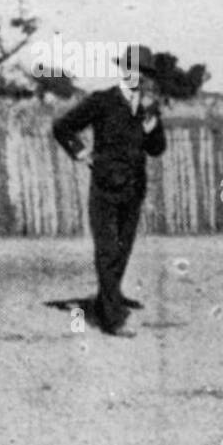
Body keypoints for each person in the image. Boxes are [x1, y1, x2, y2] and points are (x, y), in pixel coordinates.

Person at [53, 44, 166, 337]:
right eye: (132, 69)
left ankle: (109, 298)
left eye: (143, 72)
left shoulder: (148, 107)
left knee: (122, 250)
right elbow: (63, 127)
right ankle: (112, 319)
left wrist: (153, 128)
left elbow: (157, 150)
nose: (137, 76)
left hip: (134, 189)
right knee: (106, 251)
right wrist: (81, 154)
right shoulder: (103, 101)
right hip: (104, 188)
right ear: (123, 69)